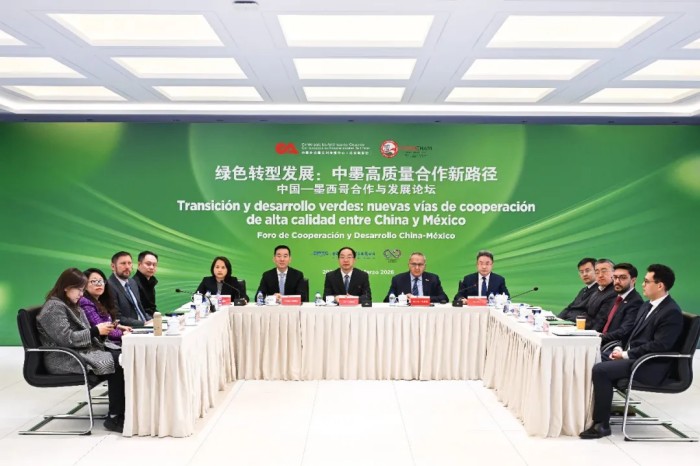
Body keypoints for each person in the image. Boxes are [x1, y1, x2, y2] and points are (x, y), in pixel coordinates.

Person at [580, 264, 683, 439]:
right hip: (637, 357)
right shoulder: (647, 305)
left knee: (601, 370)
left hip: (651, 365)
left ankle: (601, 424)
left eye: (647, 281)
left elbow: (660, 346)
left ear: (660, 285)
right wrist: (619, 348)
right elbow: (632, 334)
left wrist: (626, 354)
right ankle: (585, 411)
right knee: (592, 358)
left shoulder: (670, 312)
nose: (642, 284)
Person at [36, 268, 126, 433]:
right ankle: (114, 417)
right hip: (64, 359)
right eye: (79, 289)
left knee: (122, 357)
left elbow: (84, 333)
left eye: (83, 290)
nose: (81, 294)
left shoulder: (71, 305)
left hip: (80, 352)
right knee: (117, 362)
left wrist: (101, 332)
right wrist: (96, 331)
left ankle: (122, 411)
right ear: (66, 287)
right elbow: (66, 339)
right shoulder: (53, 308)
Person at [80, 268, 133, 345]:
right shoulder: (85, 302)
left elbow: (106, 323)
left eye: (101, 281)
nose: (99, 284)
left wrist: (118, 327)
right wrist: (124, 333)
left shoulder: (100, 301)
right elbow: (102, 330)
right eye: (94, 281)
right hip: (100, 346)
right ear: (84, 285)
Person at [598, 262, 644, 347]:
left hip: (614, 346)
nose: (617, 281)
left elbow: (624, 331)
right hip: (601, 342)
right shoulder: (615, 297)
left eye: (622, 278)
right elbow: (602, 320)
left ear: (633, 280)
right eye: (615, 277)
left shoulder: (636, 301)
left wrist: (600, 337)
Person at [108, 251, 152, 328]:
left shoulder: (132, 282)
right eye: (123, 263)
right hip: (130, 329)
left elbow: (139, 309)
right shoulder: (109, 286)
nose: (127, 267)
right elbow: (117, 318)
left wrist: (153, 319)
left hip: (145, 325)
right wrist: (143, 324)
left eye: (129, 263)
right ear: (113, 266)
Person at [383, 252, 448, 303]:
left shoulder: (433, 279)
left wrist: (420, 299)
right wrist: (403, 298)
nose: (417, 268)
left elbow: (444, 298)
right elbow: (387, 300)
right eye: (414, 264)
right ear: (408, 265)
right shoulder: (398, 279)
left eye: (420, 264)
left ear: (425, 266)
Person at [558, 257, 598, 322]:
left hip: (577, 324)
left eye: (587, 270)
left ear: (596, 271)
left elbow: (586, 313)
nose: (584, 274)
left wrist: (567, 322)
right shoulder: (583, 290)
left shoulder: (599, 290)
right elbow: (569, 307)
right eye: (581, 272)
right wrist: (557, 319)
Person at [583, 258, 617, 329]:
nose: (600, 275)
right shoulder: (596, 292)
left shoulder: (614, 293)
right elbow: (586, 314)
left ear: (614, 273)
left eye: (604, 271)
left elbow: (601, 322)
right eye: (597, 272)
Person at [133, 251, 159, 315]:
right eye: (148, 264)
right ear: (139, 264)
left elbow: (152, 308)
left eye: (154, 265)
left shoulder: (151, 282)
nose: (152, 267)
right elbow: (139, 311)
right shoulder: (133, 284)